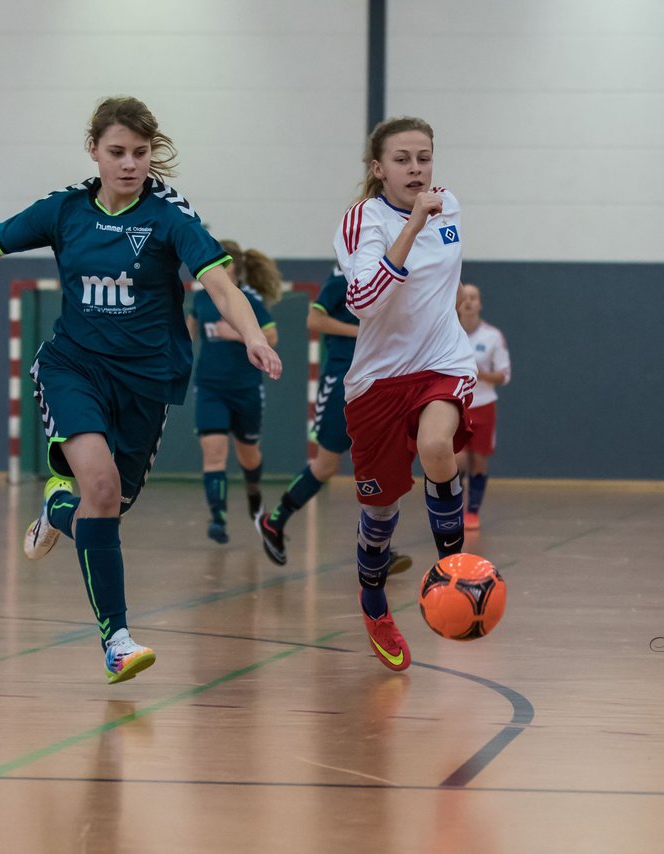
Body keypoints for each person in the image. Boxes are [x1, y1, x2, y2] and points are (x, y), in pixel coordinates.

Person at [0, 96, 281, 684]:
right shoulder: (64, 209)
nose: (129, 163)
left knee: (106, 508)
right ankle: (117, 639)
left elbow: (219, 284)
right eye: (116, 151)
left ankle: (55, 508)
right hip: (73, 367)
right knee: (100, 484)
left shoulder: (169, 216)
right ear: (93, 150)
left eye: (140, 153)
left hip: (147, 380)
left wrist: (252, 335)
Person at [331, 116, 477, 672]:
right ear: (378, 168)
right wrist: (412, 225)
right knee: (380, 508)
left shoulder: (451, 206)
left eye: (425, 157)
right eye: (402, 159)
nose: (416, 168)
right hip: (377, 380)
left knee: (439, 448)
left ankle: (454, 577)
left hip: (441, 360)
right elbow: (365, 301)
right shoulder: (361, 221)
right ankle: (373, 602)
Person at [254, 265, 413, 576]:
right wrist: (361, 332)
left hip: (376, 381)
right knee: (326, 465)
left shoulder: (386, 275)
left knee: (380, 466)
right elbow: (315, 319)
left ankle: (377, 548)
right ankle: (275, 520)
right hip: (341, 379)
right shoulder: (343, 275)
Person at [187, 239, 280, 544]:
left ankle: (253, 492)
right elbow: (189, 331)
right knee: (213, 452)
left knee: (248, 454)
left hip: (245, 389)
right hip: (210, 387)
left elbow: (271, 336)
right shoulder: (201, 300)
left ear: (233, 267)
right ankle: (218, 518)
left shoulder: (249, 299)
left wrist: (238, 334)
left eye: (217, 265)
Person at [455, 283, 511, 530]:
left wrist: (481, 374)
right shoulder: (448, 331)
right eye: (464, 297)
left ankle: (473, 511)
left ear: (480, 303)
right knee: (456, 460)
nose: (468, 302)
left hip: (483, 404)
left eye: (473, 297)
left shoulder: (492, 336)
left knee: (478, 458)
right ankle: (452, 509)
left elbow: (503, 374)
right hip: (455, 403)